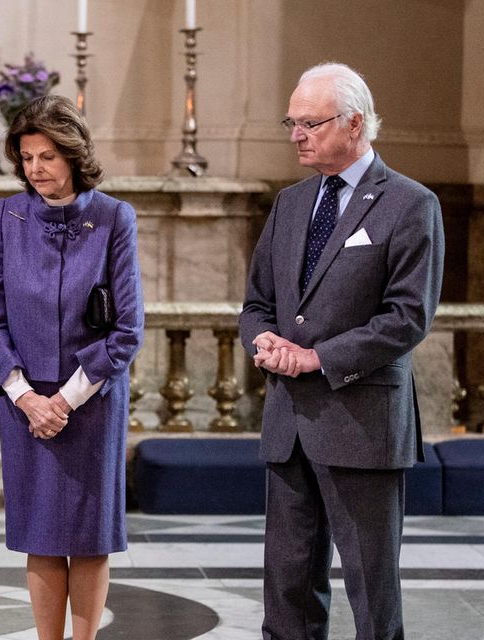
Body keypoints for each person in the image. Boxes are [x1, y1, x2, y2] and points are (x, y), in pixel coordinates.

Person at [239, 62, 445, 640]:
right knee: (287, 592)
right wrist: (263, 340)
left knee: (371, 595)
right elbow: (256, 303)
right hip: (289, 424)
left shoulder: (410, 203)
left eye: (310, 123)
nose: (296, 135)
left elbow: (408, 317)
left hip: (362, 423)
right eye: (291, 122)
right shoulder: (289, 203)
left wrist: (317, 358)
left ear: (354, 123)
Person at [0, 94, 144, 640]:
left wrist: (65, 400)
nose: (36, 169)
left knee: (90, 537)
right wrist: (27, 398)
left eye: (47, 156)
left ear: (73, 154)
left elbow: (127, 329)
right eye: (27, 158)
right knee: (41, 535)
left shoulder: (114, 217)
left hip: (91, 399)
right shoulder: (5, 217)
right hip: (25, 403)